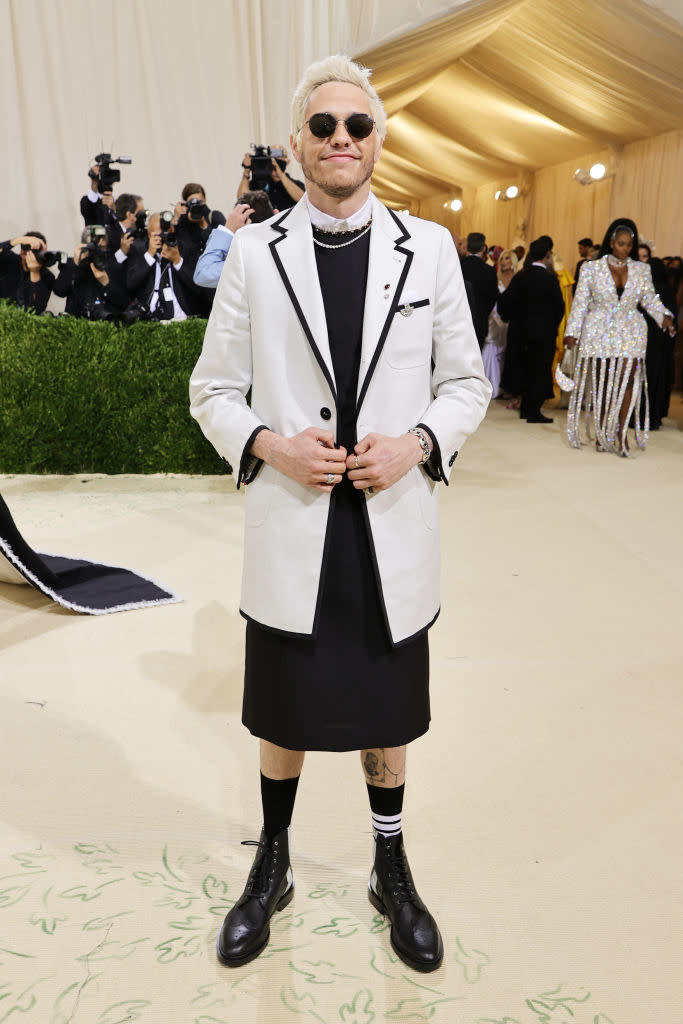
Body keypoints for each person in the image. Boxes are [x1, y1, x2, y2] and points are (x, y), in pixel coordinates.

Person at [189, 53, 490, 973]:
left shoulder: (431, 247)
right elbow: (212, 390)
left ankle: (388, 866)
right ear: (296, 145)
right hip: (292, 514)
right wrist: (269, 445)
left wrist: (421, 445)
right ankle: (271, 863)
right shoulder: (251, 252)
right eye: (322, 127)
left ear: (378, 140)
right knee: (283, 703)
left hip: (390, 517)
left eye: (356, 126)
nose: (340, 141)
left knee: (385, 705)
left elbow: (466, 380)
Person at [563, 218, 674, 455]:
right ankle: (604, 432)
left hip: (631, 330)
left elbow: (649, 298)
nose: (625, 248)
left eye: (629, 245)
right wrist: (572, 332)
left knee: (627, 382)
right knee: (604, 384)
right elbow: (580, 303)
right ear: (612, 242)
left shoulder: (641, 270)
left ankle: (622, 433)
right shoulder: (591, 268)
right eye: (621, 244)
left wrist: (663, 315)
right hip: (599, 330)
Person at [497, 236, 565, 423]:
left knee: (524, 369)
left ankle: (526, 408)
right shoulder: (550, 279)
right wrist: (550, 325)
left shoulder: (521, 276)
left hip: (520, 333)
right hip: (543, 335)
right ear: (547, 255)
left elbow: (505, 302)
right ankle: (533, 410)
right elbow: (559, 308)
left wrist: (511, 319)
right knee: (539, 370)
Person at [194, 191, 274, 290]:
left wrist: (228, 229)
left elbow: (202, 274)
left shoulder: (247, 263)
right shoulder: (291, 246)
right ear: (274, 213)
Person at [481, 248, 517, 398]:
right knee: (491, 348)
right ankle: (490, 386)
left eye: (507, 258)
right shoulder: (495, 279)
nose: (503, 261)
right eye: (502, 258)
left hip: (511, 321)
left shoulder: (518, 279)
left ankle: (506, 387)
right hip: (495, 319)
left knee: (508, 353)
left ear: (513, 261)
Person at [0, 232, 55, 313]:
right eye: (29, 252)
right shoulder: (10, 260)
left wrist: (34, 272)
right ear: (22, 252)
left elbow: (38, 309)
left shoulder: (47, 276)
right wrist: (18, 240)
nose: (33, 256)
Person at [461, 232, 499, 347]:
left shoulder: (458, 267)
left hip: (458, 323)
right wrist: (483, 314)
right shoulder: (489, 271)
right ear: (483, 248)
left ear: (467, 246)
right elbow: (492, 298)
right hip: (479, 324)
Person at [238, 144, 304, 210]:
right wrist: (247, 170)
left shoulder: (296, 184)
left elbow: (303, 200)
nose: (275, 160)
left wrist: (280, 175)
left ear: (288, 161)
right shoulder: (258, 182)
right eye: (271, 156)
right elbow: (242, 200)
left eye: (279, 156)